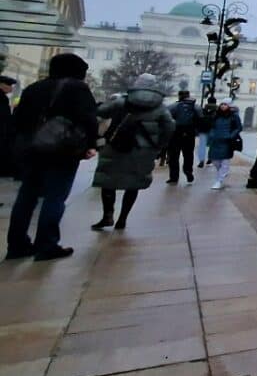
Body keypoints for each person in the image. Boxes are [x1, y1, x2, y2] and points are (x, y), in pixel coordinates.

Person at [6, 53, 98, 261]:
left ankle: (17, 244)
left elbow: (18, 120)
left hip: (32, 150)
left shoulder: (34, 88)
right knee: (55, 196)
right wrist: (90, 145)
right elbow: (89, 119)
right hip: (62, 151)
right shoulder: (77, 88)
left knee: (26, 196)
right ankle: (47, 244)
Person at [91, 73, 174, 230]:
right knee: (134, 183)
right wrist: (159, 146)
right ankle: (123, 218)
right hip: (144, 150)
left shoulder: (121, 101)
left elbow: (100, 112)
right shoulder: (161, 108)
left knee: (109, 181)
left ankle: (107, 215)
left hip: (116, 145)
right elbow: (169, 127)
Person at [166, 90, 201, 184]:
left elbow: (167, 120)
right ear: (188, 96)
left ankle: (173, 177)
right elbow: (200, 119)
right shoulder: (195, 107)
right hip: (190, 133)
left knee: (173, 155)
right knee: (188, 154)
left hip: (175, 133)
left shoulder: (173, 106)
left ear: (179, 96)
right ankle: (188, 171)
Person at [207, 100, 242, 190]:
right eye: (222, 104)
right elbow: (212, 126)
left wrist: (231, 135)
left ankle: (219, 180)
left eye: (225, 104)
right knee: (214, 160)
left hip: (227, 142)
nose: (223, 106)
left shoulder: (234, 116)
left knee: (225, 161)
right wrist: (211, 134)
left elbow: (238, 127)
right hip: (216, 140)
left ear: (229, 106)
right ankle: (222, 173)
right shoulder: (215, 115)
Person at [0, 75, 16, 178]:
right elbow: (4, 115)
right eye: (9, 85)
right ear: (2, 85)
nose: (11, 88)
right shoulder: (2, 98)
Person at [195, 97, 216, 168]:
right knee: (213, 146)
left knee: (202, 146)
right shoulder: (218, 110)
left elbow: (198, 119)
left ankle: (201, 161)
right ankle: (210, 158)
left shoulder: (203, 109)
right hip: (213, 129)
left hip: (203, 129)